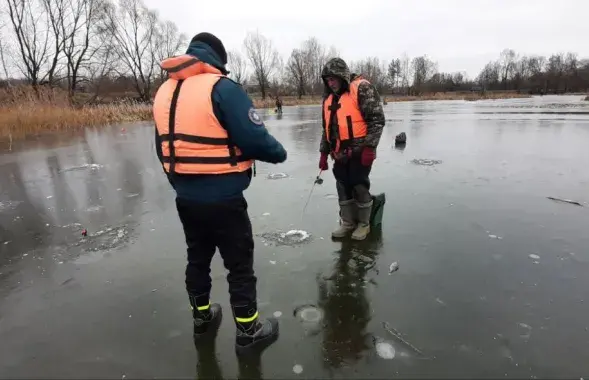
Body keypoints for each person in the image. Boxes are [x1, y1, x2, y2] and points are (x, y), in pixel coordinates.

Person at [152, 32, 287, 355]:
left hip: (186, 197)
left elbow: (162, 148)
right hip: (225, 198)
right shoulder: (222, 89)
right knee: (239, 266)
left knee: (197, 258)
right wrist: (279, 152)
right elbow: (254, 139)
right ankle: (248, 332)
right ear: (218, 60)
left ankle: (202, 317)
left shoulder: (164, 93)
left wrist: (181, 183)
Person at [318, 58, 385, 241]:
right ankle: (347, 223)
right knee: (342, 184)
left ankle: (364, 224)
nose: (331, 83)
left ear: (342, 76)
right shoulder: (328, 98)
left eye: (333, 79)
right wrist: (324, 153)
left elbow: (377, 120)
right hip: (338, 153)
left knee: (358, 183)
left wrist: (370, 148)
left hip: (360, 151)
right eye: (327, 80)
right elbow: (327, 129)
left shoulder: (362, 88)